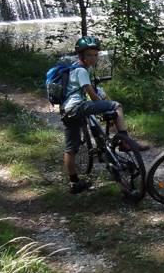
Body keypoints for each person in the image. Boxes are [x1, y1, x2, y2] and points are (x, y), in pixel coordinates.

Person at [61, 35, 147, 194]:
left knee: (70, 148)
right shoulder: (81, 71)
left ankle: (74, 182)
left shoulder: (73, 68)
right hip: (78, 107)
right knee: (115, 105)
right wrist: (100, 102)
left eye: (95, 55)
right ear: (81, 56)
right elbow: (91, 94)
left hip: (67, 111)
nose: (93, 58)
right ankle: (124, 140)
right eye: (89, 55)